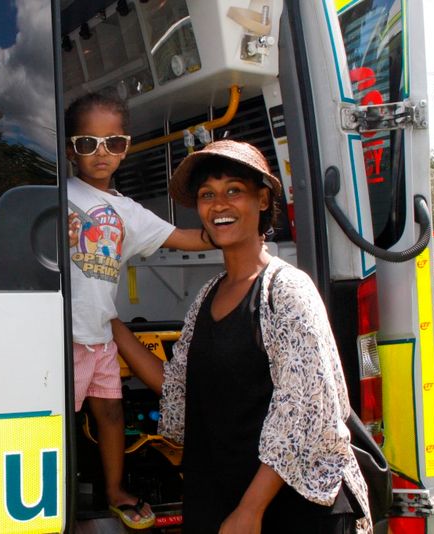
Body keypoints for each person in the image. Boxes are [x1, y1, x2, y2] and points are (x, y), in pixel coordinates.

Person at [110, 139, 372, 533]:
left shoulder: (285, 290)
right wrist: (108, 323)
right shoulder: (207, 297)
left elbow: (302, 412)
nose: (219, 205)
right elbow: (177, 386)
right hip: (224, 501)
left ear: (263, 200)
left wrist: (251, 510)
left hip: (287, 511)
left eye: (234, 191)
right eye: (207, 195)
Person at [65, 92, 212, 529]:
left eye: (113, 143)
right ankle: (56, 493)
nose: (101, 153)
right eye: (87, 143)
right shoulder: (57, 193)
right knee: (62, 420)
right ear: (71, 149)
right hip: (62, 334)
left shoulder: (127, 211)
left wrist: (234, 225)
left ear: (126, 147)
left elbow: (186, 239)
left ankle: (114, 490)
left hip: (100, 334)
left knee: (111, 414)